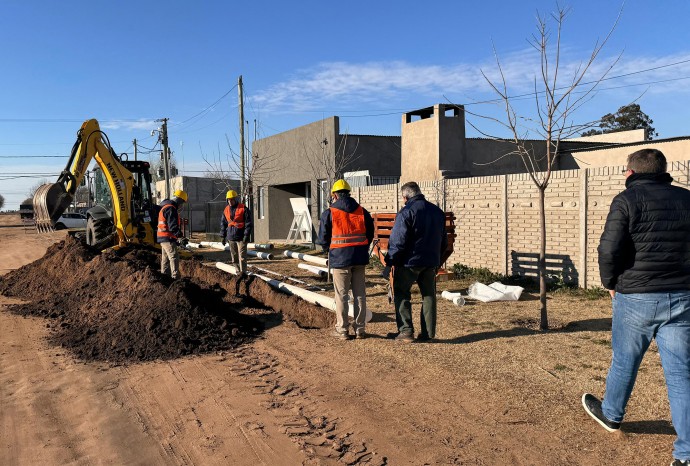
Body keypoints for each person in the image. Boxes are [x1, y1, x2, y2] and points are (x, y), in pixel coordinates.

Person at [582, 149, 690, 466]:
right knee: (682, 375)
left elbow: (609, 247)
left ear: (630, 173)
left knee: (625, 361)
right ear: (663, 171)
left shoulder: (627, 200)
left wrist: (610, 282)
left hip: (636, 297)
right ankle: (686, 455)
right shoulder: (687, 199)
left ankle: (612, 414)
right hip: (682, 297)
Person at [385, 181, 447, 343]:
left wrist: (390, 262)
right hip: (431, 262)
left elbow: (397, 241)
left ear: (405, 197)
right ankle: (427, 334)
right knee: (429, 296)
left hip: (408, 263)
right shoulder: (437, 212)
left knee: (401, 293)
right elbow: (444, 241)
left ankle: (406, 332)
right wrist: (437, 260)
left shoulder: (406, 212)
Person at [317, 179, 374, 340]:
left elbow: (323, 237)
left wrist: (327, 250)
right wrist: (362, 247)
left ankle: (342, 329)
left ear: (334, 195)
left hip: (340, 259)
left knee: (341, 295)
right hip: (359, 257)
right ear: (349, 193)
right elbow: (370, 233)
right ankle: (360, 329)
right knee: (360, 294)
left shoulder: (330, 213)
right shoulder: (362, 211)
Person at [157, 189, 188, 279]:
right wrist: (180, 236)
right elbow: (173, 226)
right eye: (182, 202)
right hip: (167, 237)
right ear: (179, 200)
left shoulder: (165, 207)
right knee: (174, 256)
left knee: (165, 259)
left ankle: (164, 277)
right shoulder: (171, 209)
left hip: (163, 237)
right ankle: (175, 278)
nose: (181, 205)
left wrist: (176, 239)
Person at [220, 189, 252, 274]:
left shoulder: (243, 208)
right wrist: (223, 236)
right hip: (231, 237)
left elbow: (248, 223)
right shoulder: (226, 210)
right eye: (228, 200)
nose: (230, 201)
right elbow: (223, 224)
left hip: (241, 237)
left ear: (235, 199)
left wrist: (246, 235)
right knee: (234, 257)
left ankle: (243, 273)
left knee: (242, 257)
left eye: (231, 199)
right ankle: (238, 272)